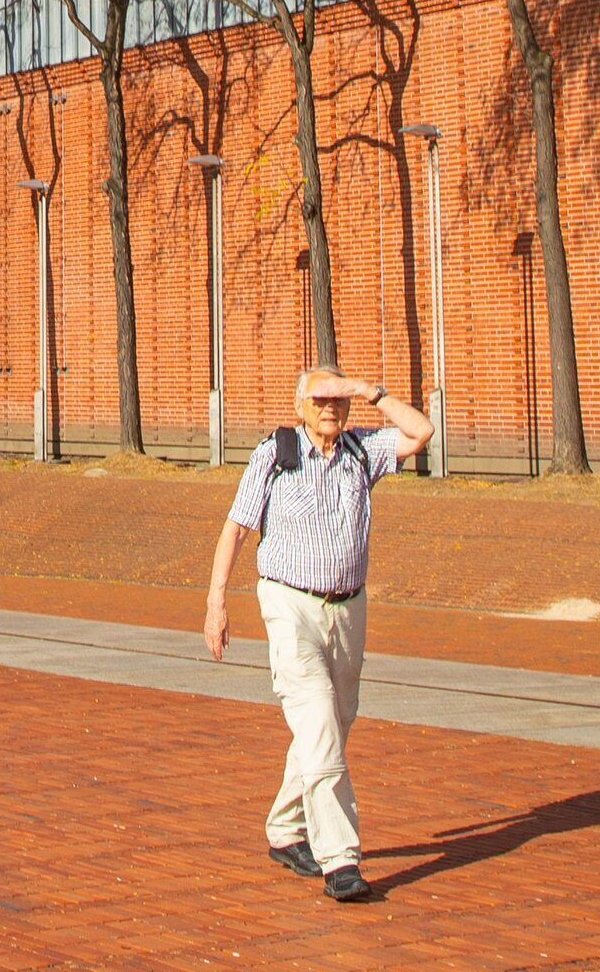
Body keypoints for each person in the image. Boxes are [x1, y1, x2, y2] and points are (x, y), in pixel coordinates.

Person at [200, 365, 435, 904]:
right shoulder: (274, 455)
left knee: (333, 723)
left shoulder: (362, 451)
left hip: (348, 609)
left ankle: (285, 830)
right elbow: (236, 529)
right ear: (299, 406)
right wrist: (216, 604)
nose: (330, 408)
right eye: (320, 399)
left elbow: (421, 432)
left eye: (338, 399)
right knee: (319, 719)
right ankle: (340, 859)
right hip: (289, 605)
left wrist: (369, 391)